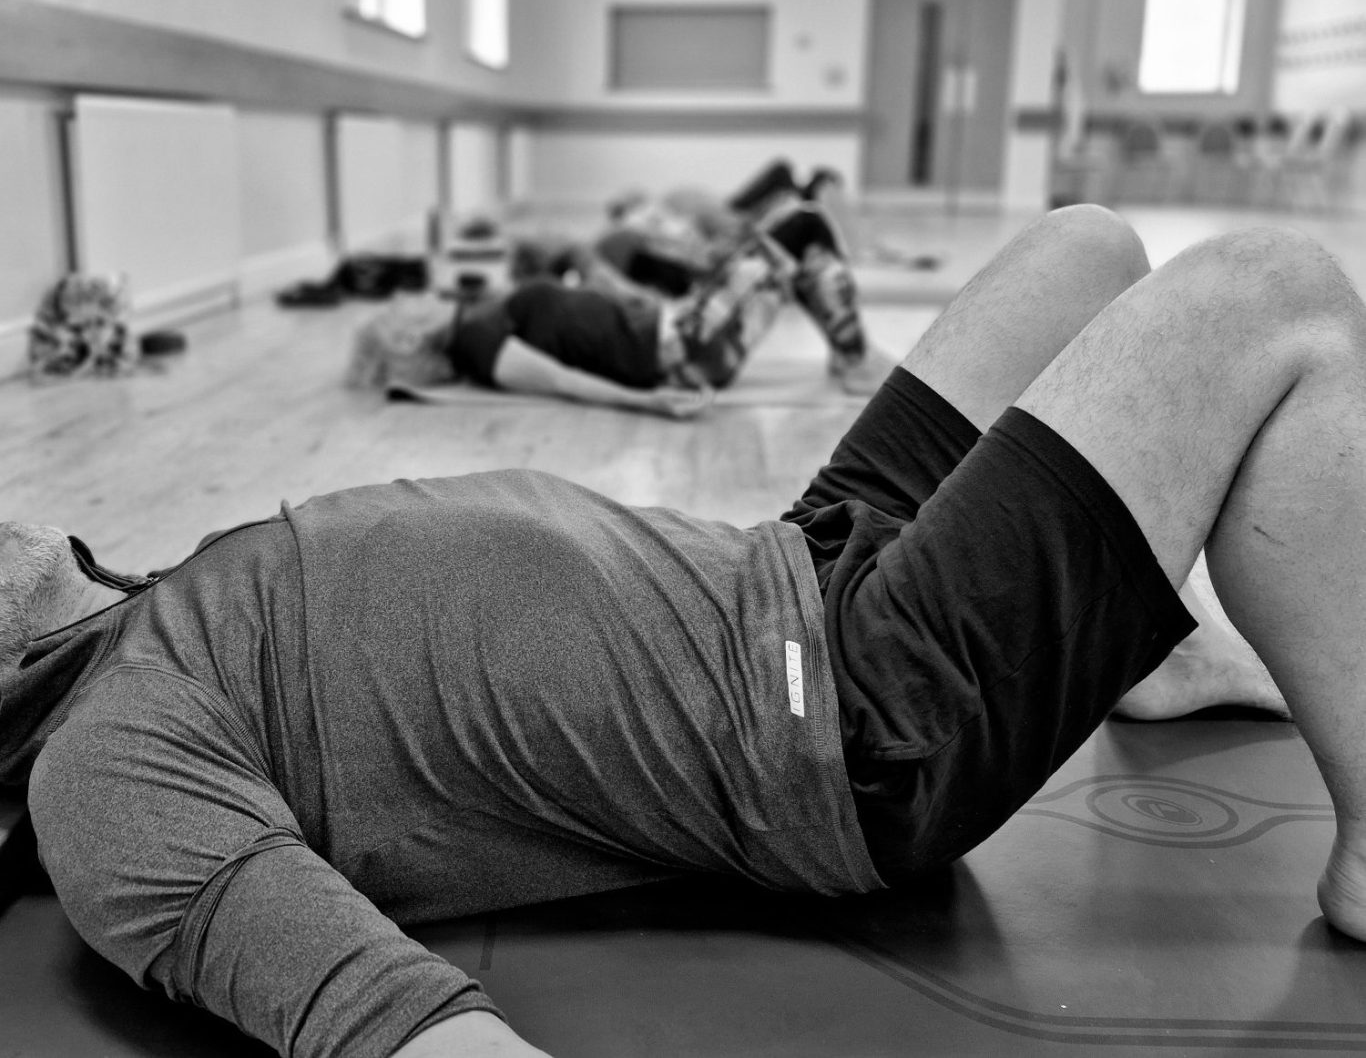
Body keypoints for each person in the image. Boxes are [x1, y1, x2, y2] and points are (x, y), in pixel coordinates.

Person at [7, 203, 1365, 1058]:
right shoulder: (102, 771)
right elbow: (393, 1023)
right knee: (1274, 290)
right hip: (838, 720)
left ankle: (1155, 646)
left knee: (1085, 249)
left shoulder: (130, 612)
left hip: (795, 554)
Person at [348, 203, 889, 413]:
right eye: (407, 309)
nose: (416, 299)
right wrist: (650, 401)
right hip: (685, 350)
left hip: (681, 325)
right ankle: (853, 356)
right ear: (410, 333)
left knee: (801, 235)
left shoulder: (477, 317)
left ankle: (851, 355)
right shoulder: (479, 344)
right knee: (803, 228)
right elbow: (562, 381)